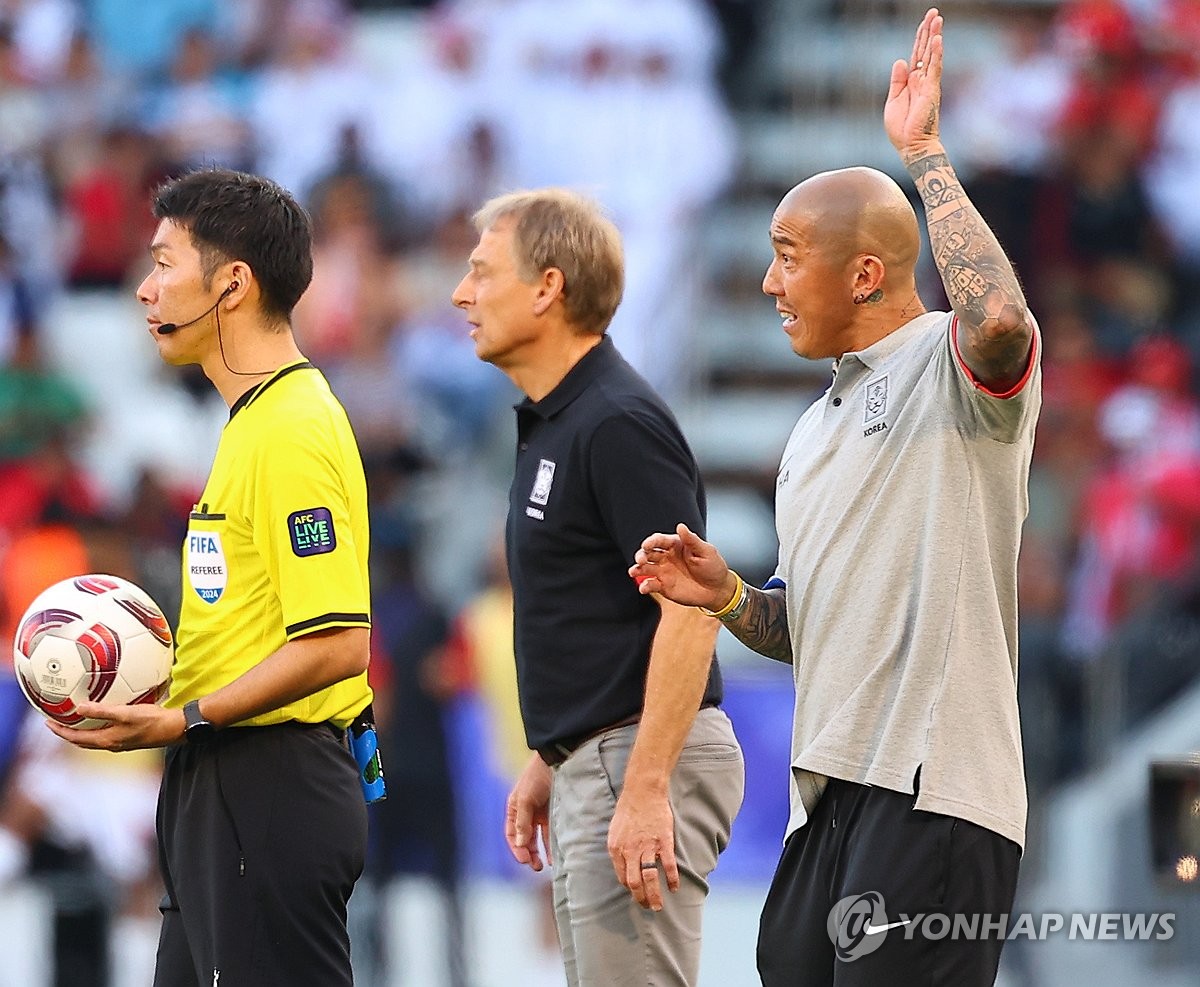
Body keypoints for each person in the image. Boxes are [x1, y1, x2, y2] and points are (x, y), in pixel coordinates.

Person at [630, 10, 1041, 986]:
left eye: (788, 252)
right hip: (831, 800)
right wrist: (728, 597)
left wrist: (927, 158)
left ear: (865, 271)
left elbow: (1000, 316)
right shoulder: (813, 430)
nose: (768, 279)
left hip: (934, 793)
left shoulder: (952, 368)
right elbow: (800, 629)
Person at [46, 167, 375, 987]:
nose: (143, 289)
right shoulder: (250, 422)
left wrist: (188, 716)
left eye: (163, 264)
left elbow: (340, 644)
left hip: (270, 780)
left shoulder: (292, 429)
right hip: (220, 781)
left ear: (232, 283)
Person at [451, 187, 744, 987]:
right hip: (605, 755)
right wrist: (555, 753)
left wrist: (645, 782)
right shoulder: (564, 421)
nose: (460, 293)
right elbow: (597, 609)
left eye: (481, 272)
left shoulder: (617, 423)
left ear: (547, 286)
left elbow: (691, 611)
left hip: (638, 759)